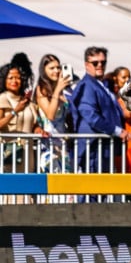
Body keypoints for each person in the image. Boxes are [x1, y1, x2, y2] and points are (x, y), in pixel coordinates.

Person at [70, 47, 131, 203]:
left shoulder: (100, 85)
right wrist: (117, 131)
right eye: (95, 62)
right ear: (86, 64)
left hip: (103, 148)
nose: (99, 65)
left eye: (103, 62)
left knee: (101, 193)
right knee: (91, 193)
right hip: (92, 148)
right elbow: (91, 116)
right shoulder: (87, 85)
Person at [0, 58, 43, 204]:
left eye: (18, 77)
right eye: (11, 77)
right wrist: (14, 111)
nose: (15, 81)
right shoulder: (3, 99)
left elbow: (33, 123)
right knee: (11, 187)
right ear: (4, 80)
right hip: (9, 152)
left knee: (26, 187)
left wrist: (38, 130)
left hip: (27, 152)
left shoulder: (27, 101)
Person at [34, 54, 74, 189]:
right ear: (44, 70)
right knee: (54, 183)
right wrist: (57, 90)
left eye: (58, 67)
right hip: (49, 143)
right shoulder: (41, 89)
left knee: (67, 184)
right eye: (51, 68)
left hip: (64, 143)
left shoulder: (65, 90)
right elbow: (50, 115)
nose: (56, 71)